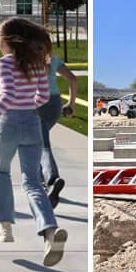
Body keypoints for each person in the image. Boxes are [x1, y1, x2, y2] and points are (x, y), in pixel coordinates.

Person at [0, 17, 67, 267]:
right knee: (32, 182)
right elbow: (43, 95)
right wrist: (30, 107)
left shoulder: (3, 63)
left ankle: (5, 230)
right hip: (33, 123)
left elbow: (7, 96)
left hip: (9, 124)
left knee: (1, 173)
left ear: (6, 41)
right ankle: (50, 231)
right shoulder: (38, 65)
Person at [37, 53, 78, 208]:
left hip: (37, 104)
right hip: (54, 105)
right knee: (37, 142)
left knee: (42, 144)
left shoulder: (27, 58)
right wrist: (71, 103)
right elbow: (73, 79)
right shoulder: (52, 59)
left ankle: (52, 179)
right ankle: (43, 184)